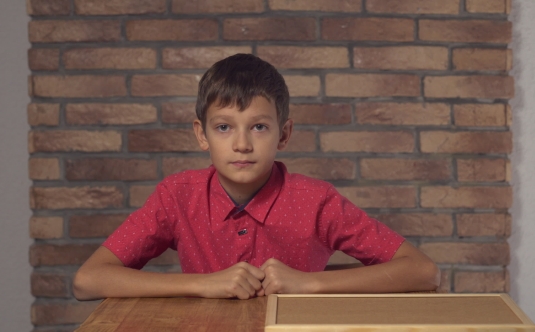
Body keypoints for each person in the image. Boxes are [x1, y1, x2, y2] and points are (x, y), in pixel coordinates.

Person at [73, 54, 440, 301]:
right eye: (223, 127)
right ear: (202, 135)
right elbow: (88, 280)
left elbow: (423, 272)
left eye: (259, 127)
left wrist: (310, 282)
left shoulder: (316, 201)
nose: (242, 144)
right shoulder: (177, 196)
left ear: (284, 133)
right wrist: (203, 285)